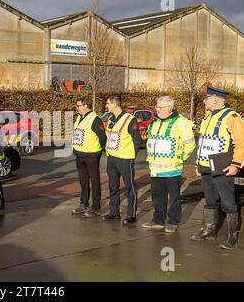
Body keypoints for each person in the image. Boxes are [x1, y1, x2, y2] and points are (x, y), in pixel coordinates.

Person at [190, 86, 244, 250]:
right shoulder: (207, 117)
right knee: (210, 201)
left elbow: (240, 143)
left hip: (223, 167)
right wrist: (198, 163)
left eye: (206, 98)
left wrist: (235, 165)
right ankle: (209, 231)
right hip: (206, 167)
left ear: (215, 99)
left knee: (228, 202)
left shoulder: (232, 117)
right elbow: (204, 142)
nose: (204, 101)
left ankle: (232, 237)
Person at [141, 96, 196, 233]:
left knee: (174, 197)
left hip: (173, 168)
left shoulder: (181, 123)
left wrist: (180, 158)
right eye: (157, 107)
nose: (158, 110)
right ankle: (158, 220)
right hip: (155, 168)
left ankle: (173, 221)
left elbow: (190, 145)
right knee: (157, 196)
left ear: (170, 108)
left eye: (161, 107)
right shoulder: (155, 122)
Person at [103, 95, 142, 225]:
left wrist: (131, 156)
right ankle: (114, 212)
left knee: (129, 187)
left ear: (114, 104)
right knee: (113, 186)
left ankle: (131, 215)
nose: (106, 106)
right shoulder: (110, 119)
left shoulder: (130, 120)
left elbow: (137, 140)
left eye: (108, 103)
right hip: (112, 158)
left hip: (125, 159)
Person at [71, 97, 107, 217]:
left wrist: (98, 150)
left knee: (95, 181)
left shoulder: (95, 119)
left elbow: (103, 137)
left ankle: (96, 207)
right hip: (80, 155)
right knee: (83, 180)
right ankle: (84, 203)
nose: (77, 108)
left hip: (91, 155)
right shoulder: (80, 118)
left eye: (78, 105)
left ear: (86, 106)